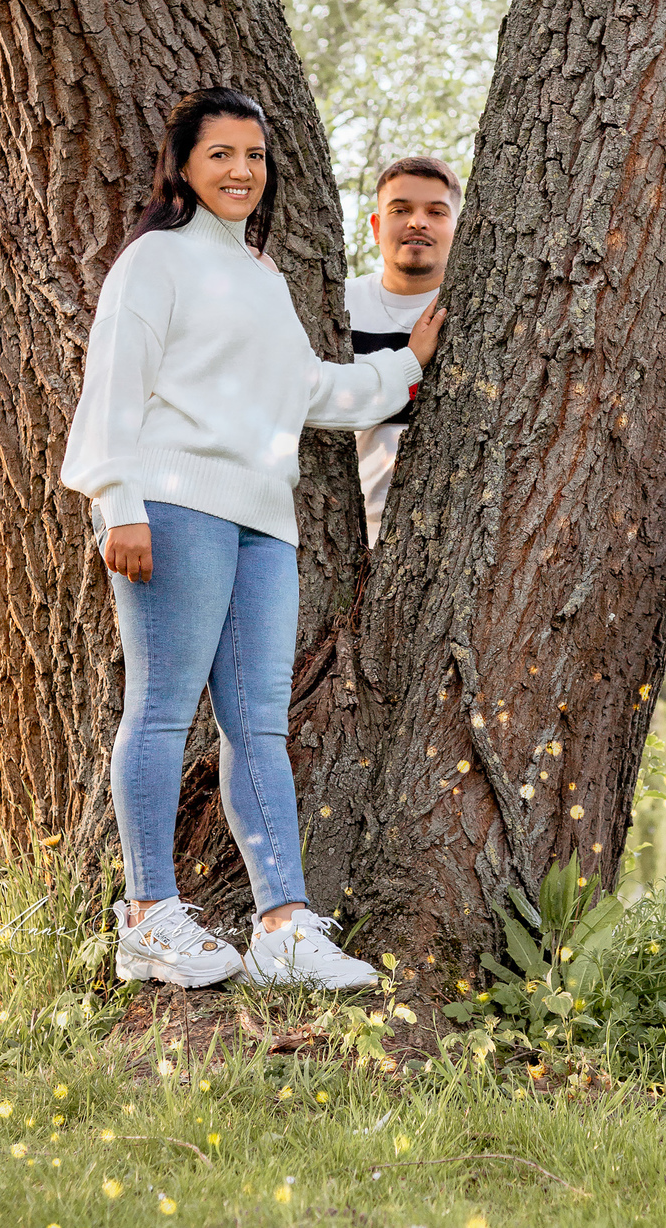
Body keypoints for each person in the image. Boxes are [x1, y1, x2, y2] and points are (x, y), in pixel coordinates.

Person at [61, 87, 444, 991]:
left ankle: (283, 928)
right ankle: (149, 916)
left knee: (256, 726)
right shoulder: (156, 261)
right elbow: (114, 377)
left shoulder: (263, 276)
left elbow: (305, 390)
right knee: (160, 709)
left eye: (255, 157)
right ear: (184, 164)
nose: (242, 171)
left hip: (264, 520)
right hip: (173, 504)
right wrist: (119, 500)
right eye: (222, 154)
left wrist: (405, 363)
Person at [345, 156, 460, 546]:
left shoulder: (480, 312)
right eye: (401, 210)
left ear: (459, 229)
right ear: (377, 227)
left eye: (436, 211)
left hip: (455, 546)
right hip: (346, 539)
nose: (417, 222)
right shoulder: (338, 306)